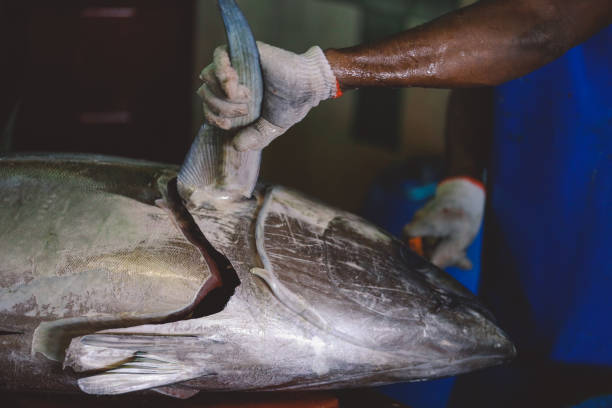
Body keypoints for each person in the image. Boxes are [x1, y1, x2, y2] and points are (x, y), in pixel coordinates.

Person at [199, 0, 612, 406]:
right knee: (502, 359)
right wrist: (462, 182)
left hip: (599, 261)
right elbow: (486, 42)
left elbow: (540, 24)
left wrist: (326, 73)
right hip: (527, 245)